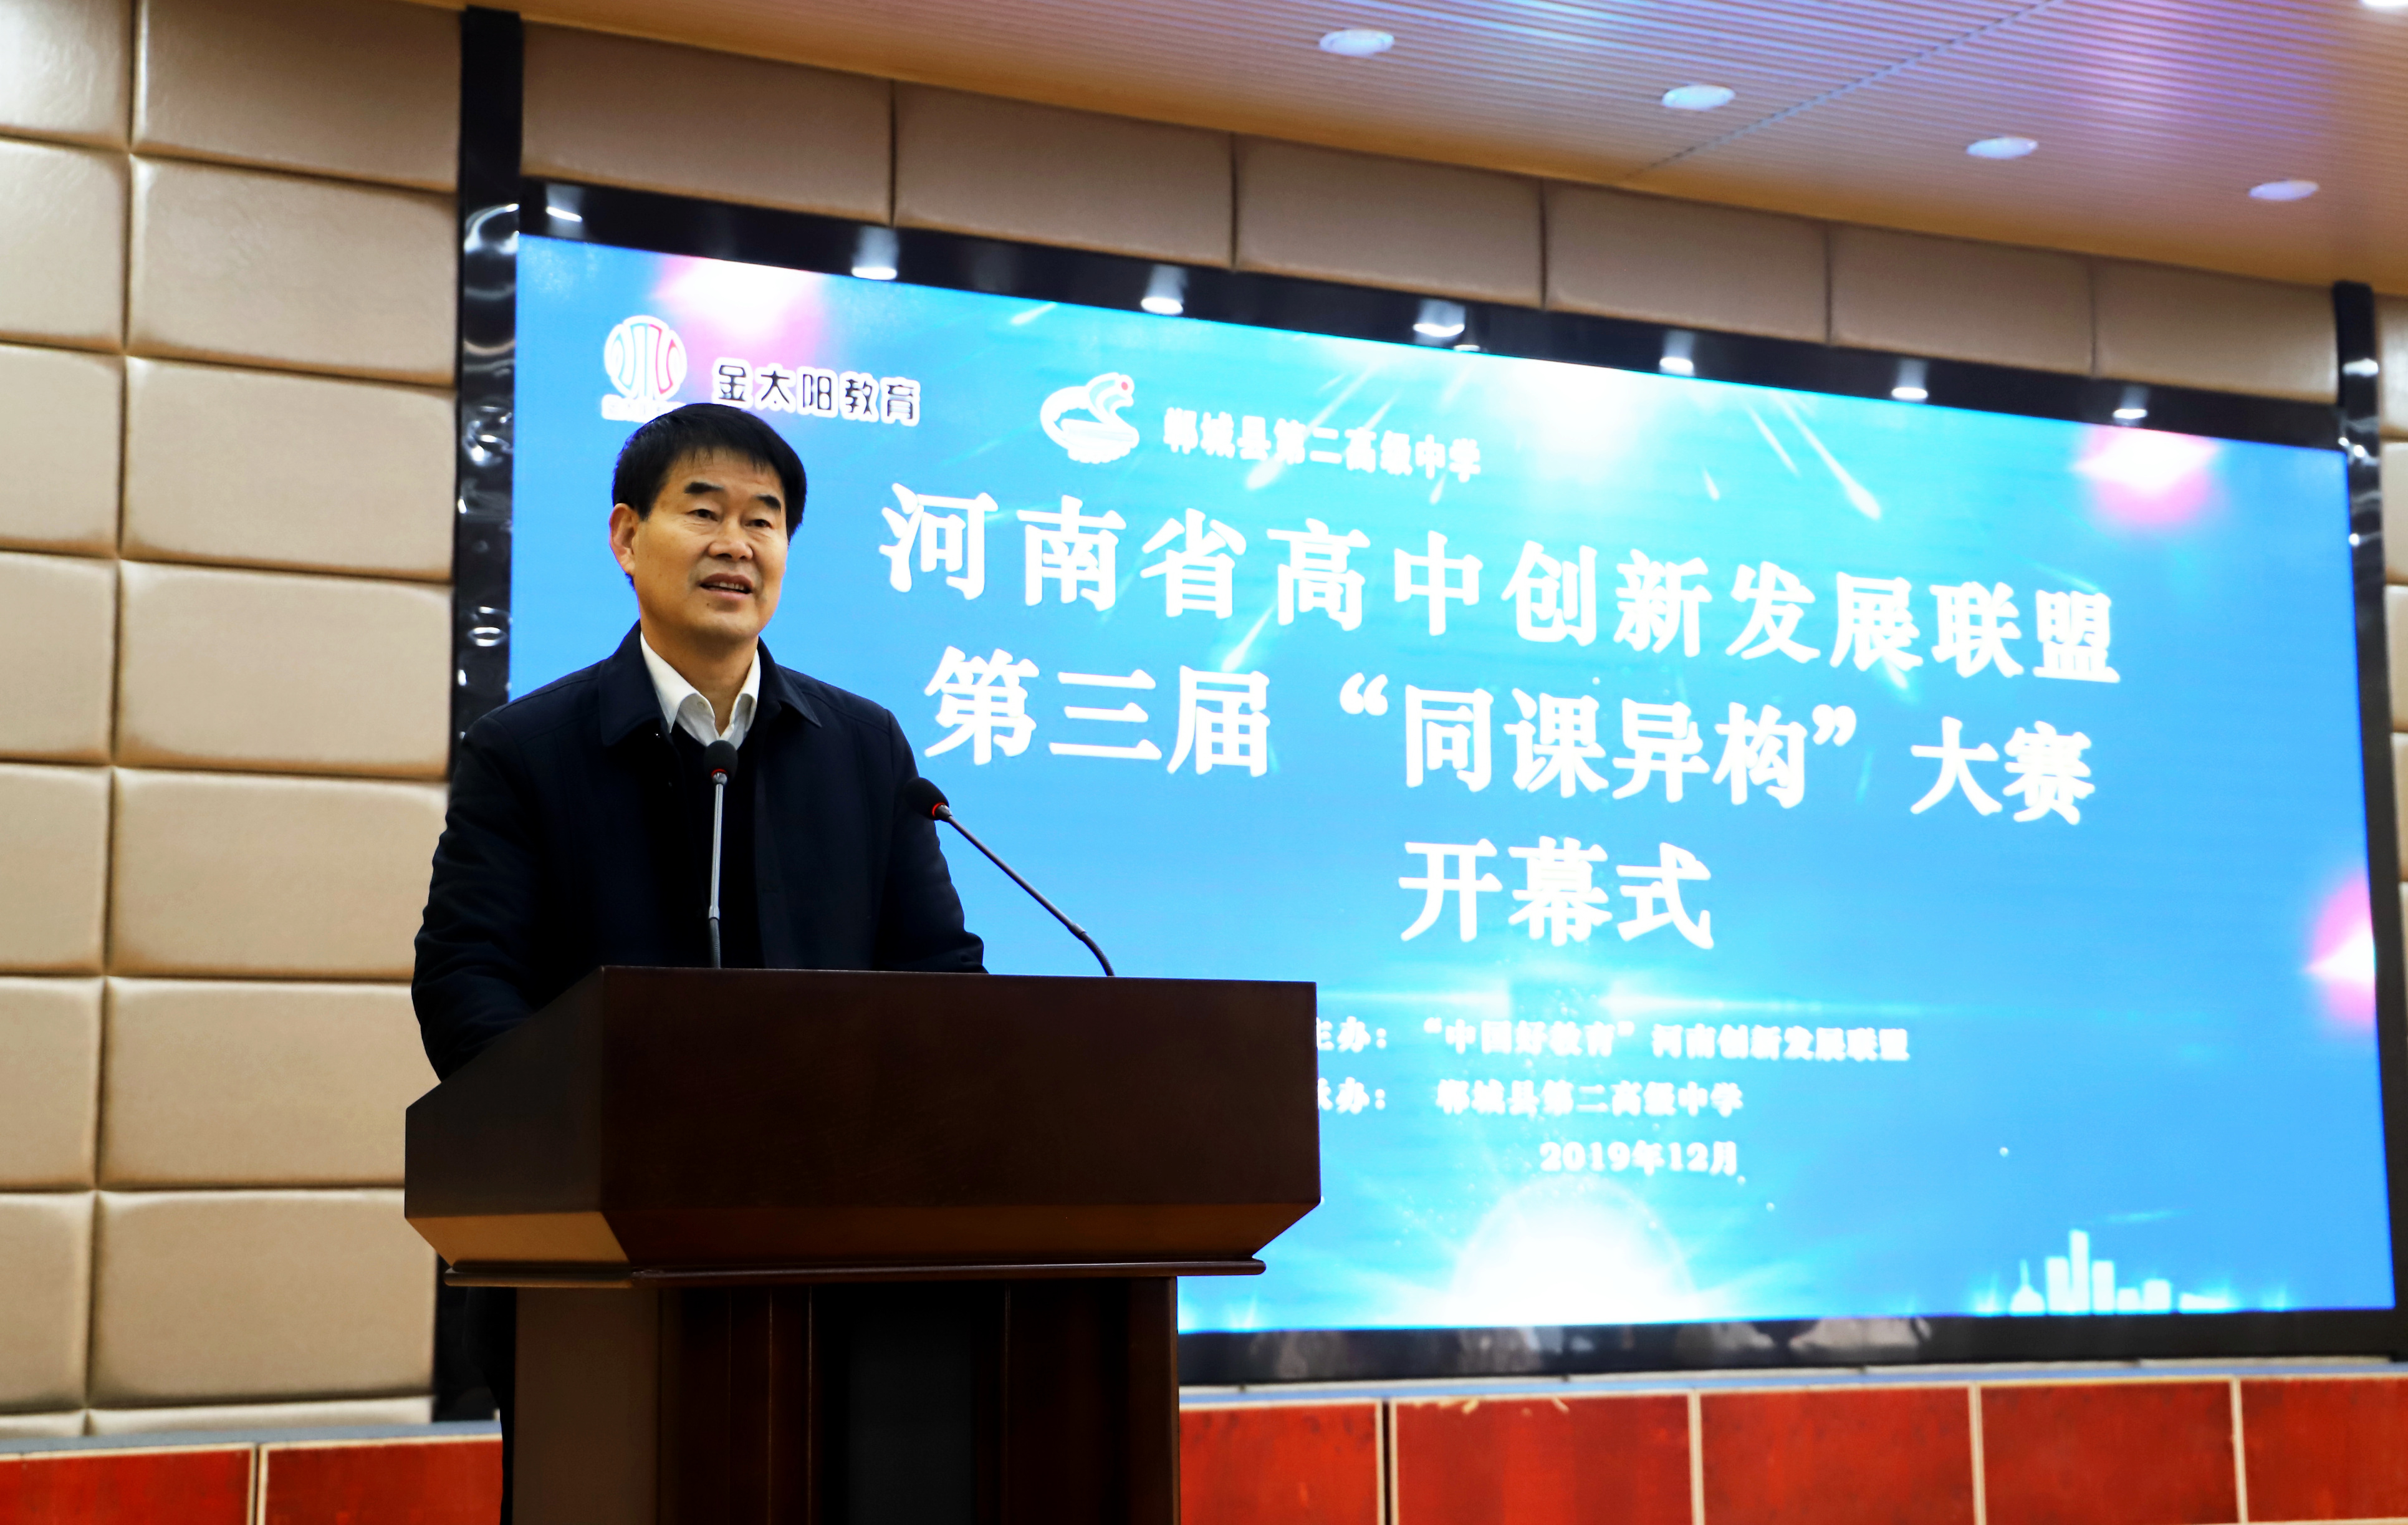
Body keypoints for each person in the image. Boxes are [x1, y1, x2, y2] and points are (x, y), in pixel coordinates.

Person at [412, 403, 984, 1520]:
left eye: (764, 520)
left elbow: (941, 980)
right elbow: (465, 981)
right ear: (627, 537)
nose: (737, 543)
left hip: (846, 1280)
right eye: (705, 510)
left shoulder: (864, 748)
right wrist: (595, 1138)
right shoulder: (527, 752)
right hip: (595, 1281)